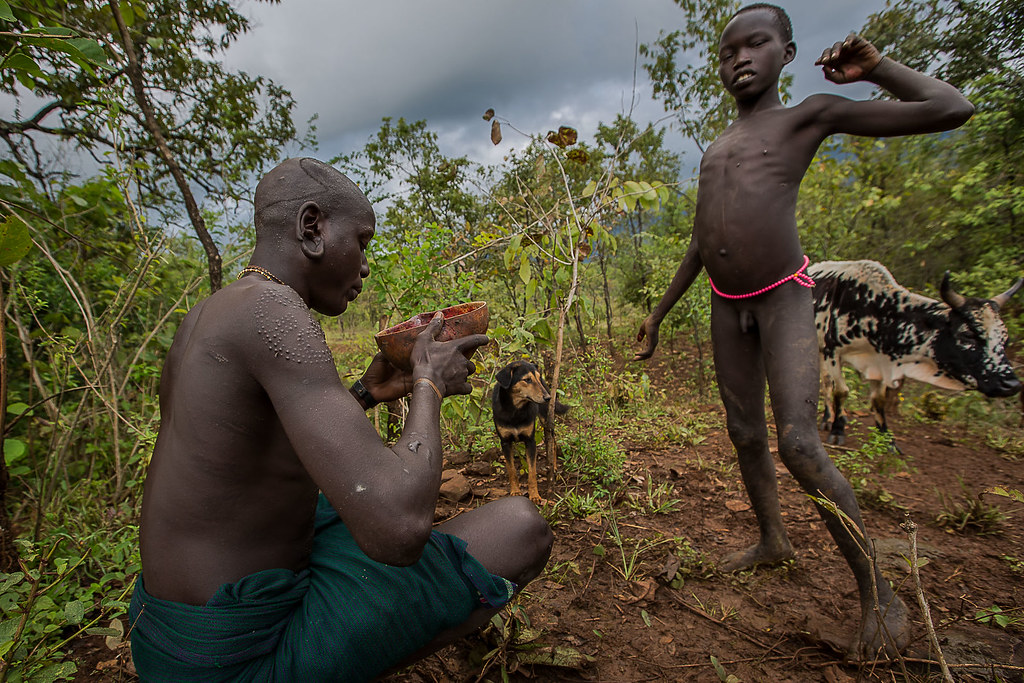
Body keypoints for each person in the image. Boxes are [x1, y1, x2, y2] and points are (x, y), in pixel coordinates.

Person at [128, 157, 553, 681]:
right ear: (312, 228)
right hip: (231, 660)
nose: (366, 265)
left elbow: (258, 456)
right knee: (521, 528)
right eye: (363, 241)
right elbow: (398, 532)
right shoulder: (274, 311)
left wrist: (368, 393)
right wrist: (427, 384)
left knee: (337, 499)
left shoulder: (214, 310)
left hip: (167, 632)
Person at [634, 3, 972, 658]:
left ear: (787, 53)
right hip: (725, 304)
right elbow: (704, 242)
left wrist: (879, 69)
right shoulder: (716, 149)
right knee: (744, 433)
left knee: (798, 441)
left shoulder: (807, 116)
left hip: (785, 297)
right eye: (728, 51)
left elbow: (950, 107)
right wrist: (659, 311)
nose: (740, 58)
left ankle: (881, 591)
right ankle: (772, 539)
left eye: (755, 44)